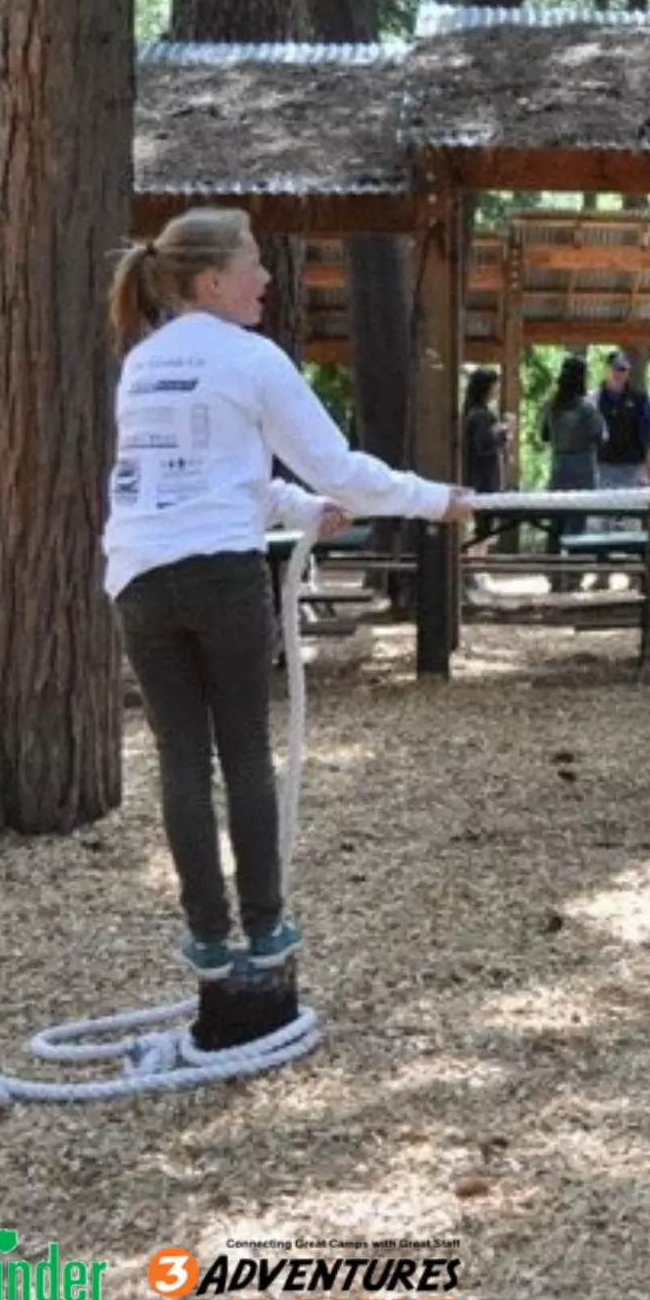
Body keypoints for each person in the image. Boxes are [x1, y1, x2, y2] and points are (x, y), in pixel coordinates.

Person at [103, 207, 471, 979]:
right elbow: (337, 467)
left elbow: (204, 476)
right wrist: (435, 499)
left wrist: (300, 510)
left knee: (180, 757)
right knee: (242, 751)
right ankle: (265, 928)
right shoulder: (252, 359)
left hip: (139, 577)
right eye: (253, 263)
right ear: (212, 280)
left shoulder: (144, 363)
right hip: (221, 577)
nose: (266, 277)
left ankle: (207, 936)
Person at [539, 355, 607, 591]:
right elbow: (601, 437)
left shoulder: (552, 406)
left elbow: (544, 436)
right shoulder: (587, 409)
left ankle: (553, 575)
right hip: (582, 470)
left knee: (555, 525)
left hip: (558, 469)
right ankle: (573, 576)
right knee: (577, 525)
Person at [593, 350, 650, 532]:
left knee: (630, 517)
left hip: (632, 467)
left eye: (623, 370)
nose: (619, 374)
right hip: (604, 467)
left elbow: (648, 433)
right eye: (616, 369)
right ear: (607, 370)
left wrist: (648, 465)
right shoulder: (595, 399)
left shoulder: (640, 399)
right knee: (604, 516)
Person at [461, 367, 510, 550]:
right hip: (483, 479)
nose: (497, 389)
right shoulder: (481, 415)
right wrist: (502, 433)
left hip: (477, 477)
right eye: (495, 385)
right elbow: (484, 445)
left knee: (482, 525)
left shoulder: (473, 412)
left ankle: (476, 567)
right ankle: (475, 568)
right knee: (484, 527)